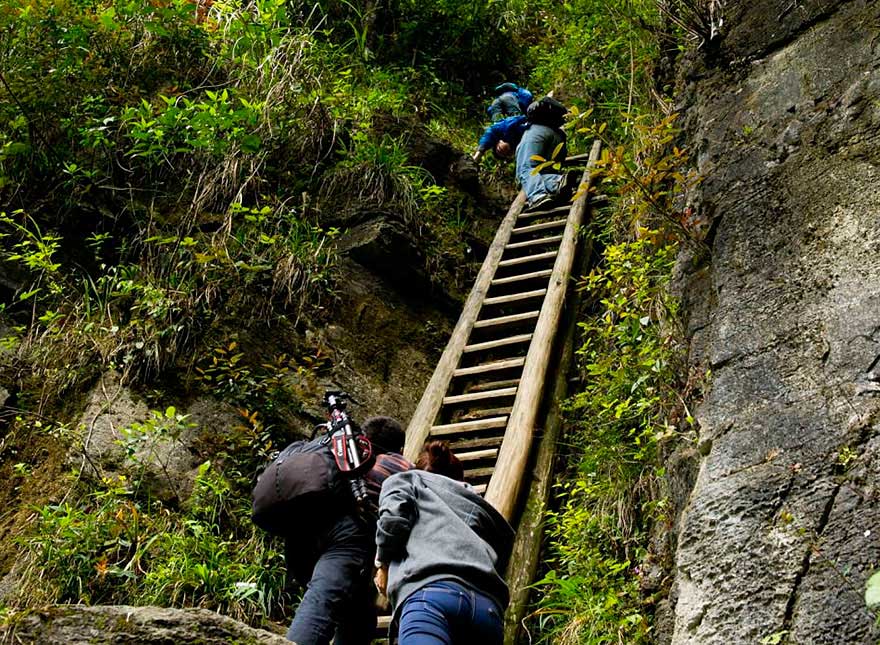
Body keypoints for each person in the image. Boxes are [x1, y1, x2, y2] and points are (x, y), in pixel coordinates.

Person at [285, 416, 413, 645]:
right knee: (323, 602)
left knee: (358, 616)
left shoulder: (342, 456)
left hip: (305, 533)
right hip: (350, 536)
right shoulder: (399, 466)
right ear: (400, 448)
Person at [373, 441, 514, 645]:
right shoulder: (478, 505)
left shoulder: (406, 479)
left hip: (430, 595)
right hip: (487, 607)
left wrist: (383, 564)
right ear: (459, 478)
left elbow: (393, 519)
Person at [472, 109, 569, 210]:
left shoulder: (505, 130)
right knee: (537, 173)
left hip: (536, 131)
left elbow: (490, 132)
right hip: (558, 138)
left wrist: (477, 156)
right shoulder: (520, 143)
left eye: (500, 150)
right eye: (505, 155)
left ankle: (538, 196)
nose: (504, 152)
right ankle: (556, 182)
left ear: (498, 142)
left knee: (524, 169)